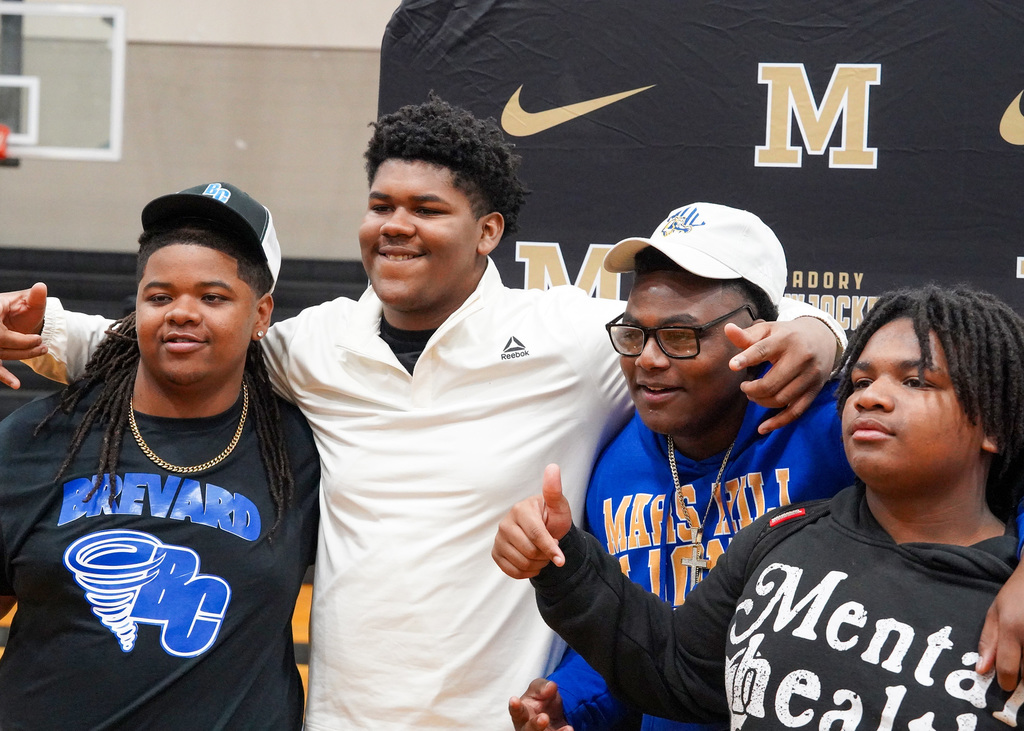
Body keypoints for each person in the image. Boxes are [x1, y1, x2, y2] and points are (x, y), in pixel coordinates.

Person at [0, 98, 845, 729]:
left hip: (505, 720)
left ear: (488, 231)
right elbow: (191, 334)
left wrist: (821, 328)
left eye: (426, 210)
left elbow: (703, 335)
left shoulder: (577, 339)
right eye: (381, 206)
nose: (393, 227)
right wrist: (43, 334)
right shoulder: (316, 345)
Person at [494, 284, 1024, 728]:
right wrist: (565, 560)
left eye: (915, 381)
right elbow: (676, 667)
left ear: (996, 425)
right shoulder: (779, 536)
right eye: (860, 380)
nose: (870, 397)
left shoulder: (1008, 590)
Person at [506, 203, 857, 731]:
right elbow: (638, 645)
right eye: (634, 333)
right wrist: (568, 704)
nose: (648, 358)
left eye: (680, 336)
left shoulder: (830, 428)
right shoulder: (618, 464)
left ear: (760, 335)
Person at [0, 182, 321, 728]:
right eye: (160, 296)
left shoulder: (303, 452)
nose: (182, 313)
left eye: (213, 297)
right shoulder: (39, 437)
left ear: (261, 314)